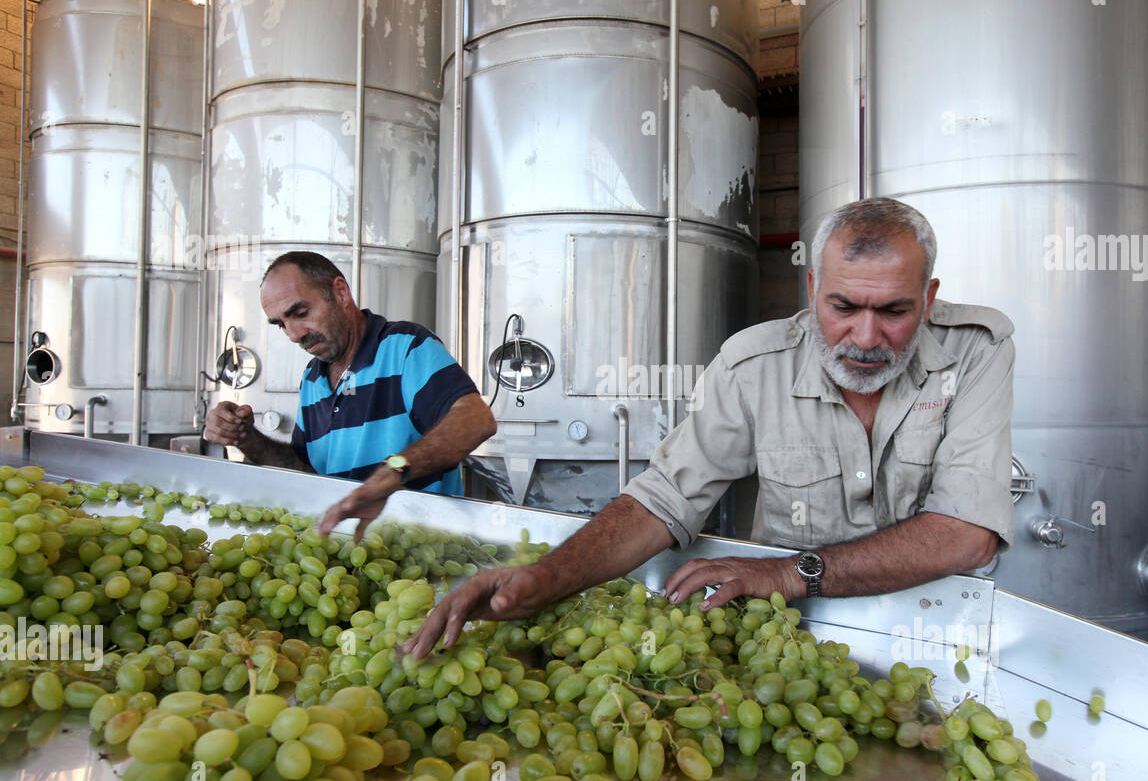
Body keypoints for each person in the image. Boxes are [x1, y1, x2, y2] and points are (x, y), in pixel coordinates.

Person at [404, 198, 1015, 658]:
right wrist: (546, 578)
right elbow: (665, 497)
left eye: (894, 312)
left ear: (929, 300)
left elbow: (967, 534)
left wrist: (789, 572)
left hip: (936, 636)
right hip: (784, 645)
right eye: (843, 307)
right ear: (812, 289)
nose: (864, 338)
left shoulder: (976, 353)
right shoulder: (754, 363)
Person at [203, 251, 496, 538]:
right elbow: (305, 472)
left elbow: (475, 420)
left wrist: (395, 470)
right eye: (281, 324)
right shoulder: (312, 377)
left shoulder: (405, 347)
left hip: (419, 555)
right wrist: (245, 438)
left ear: (341, 292)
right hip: (345, 556)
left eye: (300, 313)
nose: (294, 334)